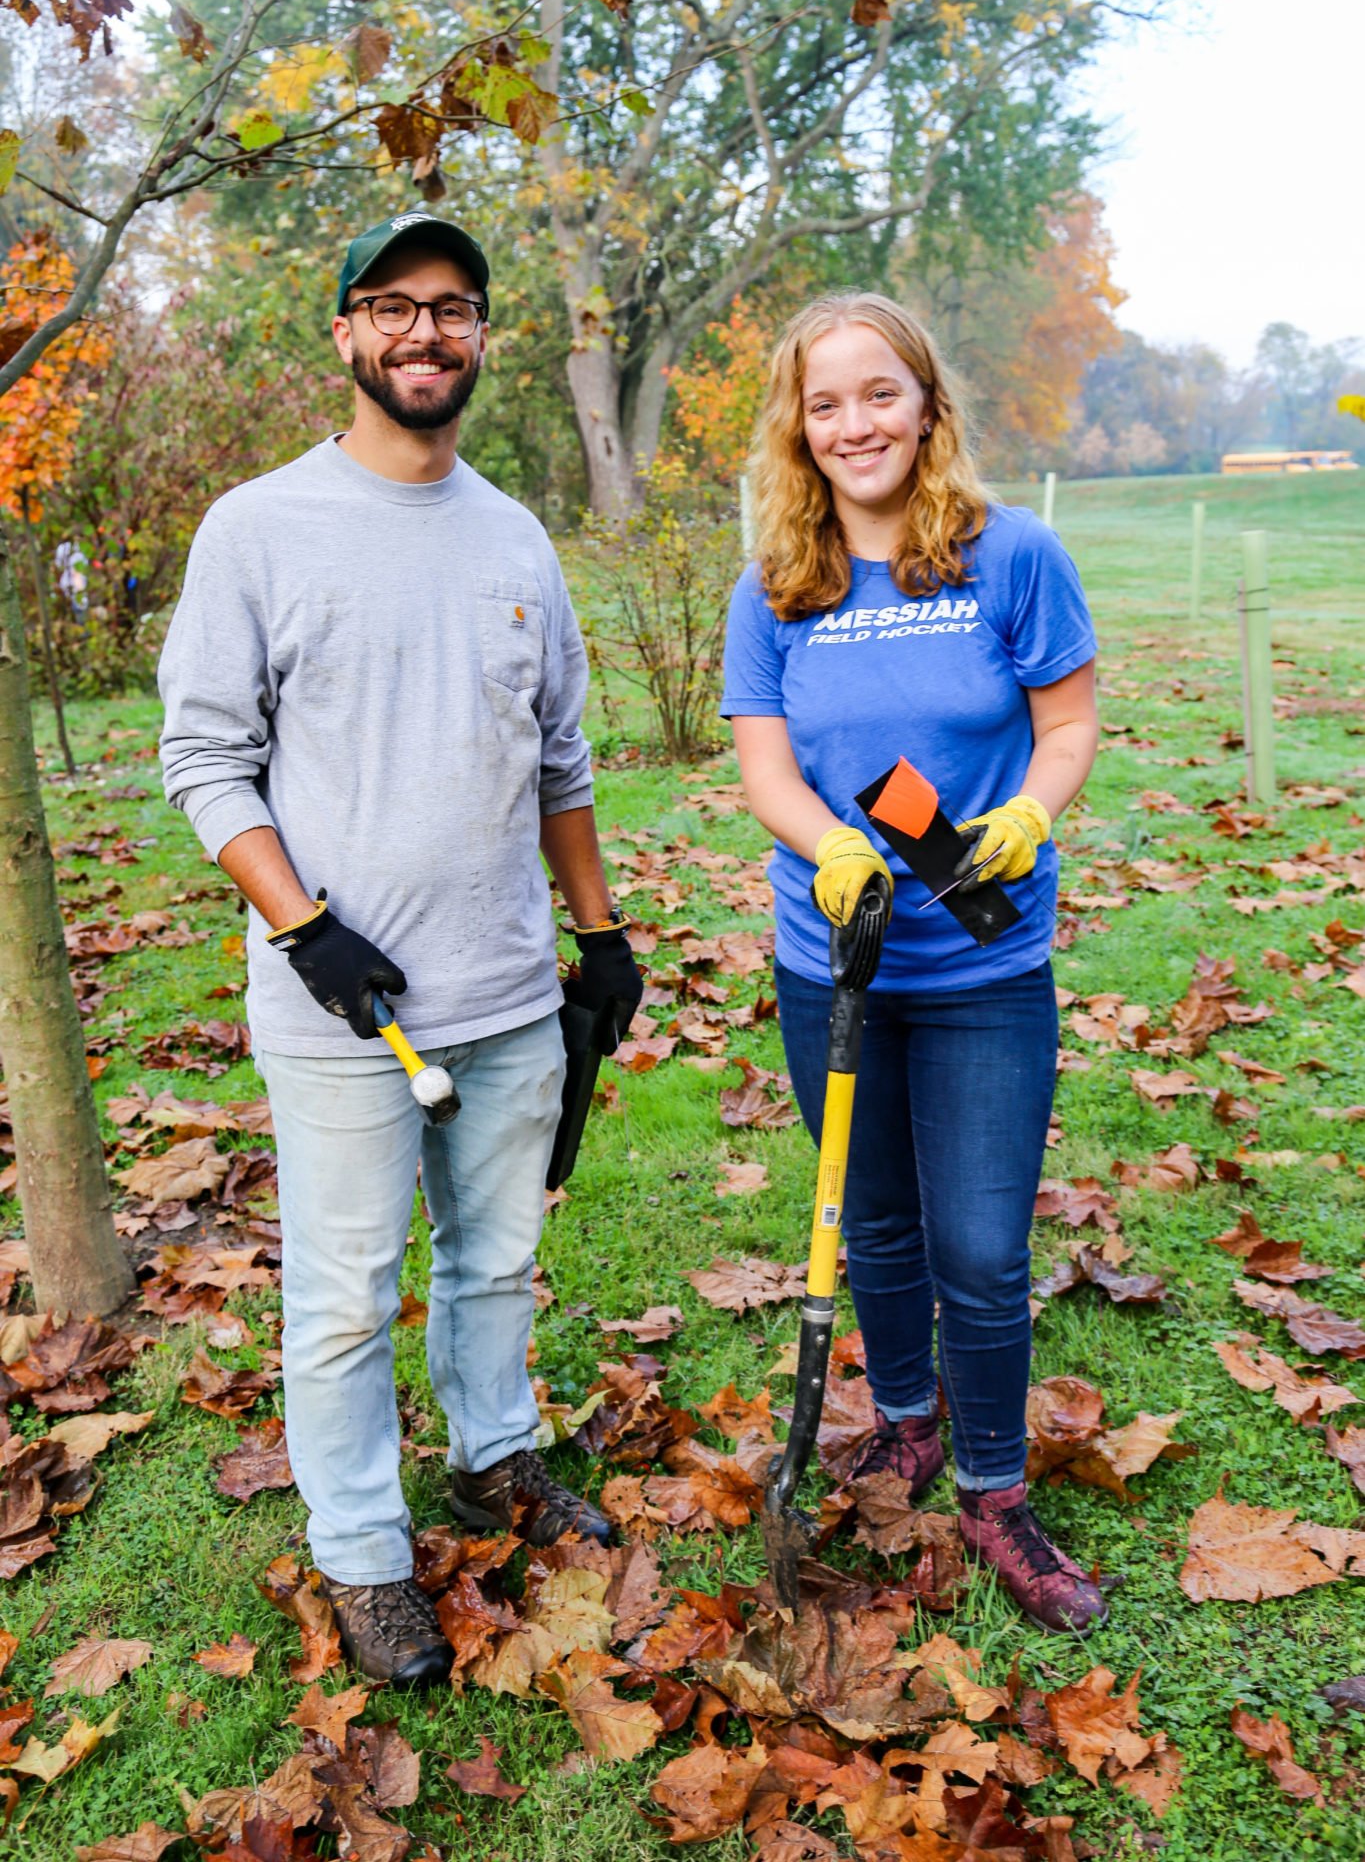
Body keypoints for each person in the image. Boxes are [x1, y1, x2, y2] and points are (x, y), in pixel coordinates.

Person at [159, 211, 643, 1687]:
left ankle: (493, 1458)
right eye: (392, 307)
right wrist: (302, 929)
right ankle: (364, 1554)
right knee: (346, 1295)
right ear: (347, 334)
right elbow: (203, 760)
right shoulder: (258, 528)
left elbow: (556, 759)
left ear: (482, 335)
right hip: (342, 1013)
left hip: (504, 996)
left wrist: (601, 942)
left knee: (495, 1264)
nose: (423, 333)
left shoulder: (512, 536)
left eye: (452, 309)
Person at [721, 292, 1104, 1633]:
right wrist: (826, 841)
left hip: (981, 972)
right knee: (871, 1221)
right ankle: (903, 1422)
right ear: (798, 428)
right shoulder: (777, 578)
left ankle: (994, 1491)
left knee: (983, 1249)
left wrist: (1028, 814)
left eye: (877, 394)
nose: (853, 424)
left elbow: (1066, 724)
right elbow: (764, 761)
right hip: (832, 961)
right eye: (823, 404)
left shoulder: (1010, 556)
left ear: (925, 404)